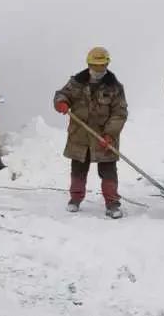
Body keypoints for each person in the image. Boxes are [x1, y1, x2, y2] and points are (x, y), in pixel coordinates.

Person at [53, 47, 128, 219]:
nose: (98, 70)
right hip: (80, 135)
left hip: (104, 137)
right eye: (95, 66)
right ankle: (75, 198)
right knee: (78, 169)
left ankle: (112, 203)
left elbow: (120, 113)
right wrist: (61, 102)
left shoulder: (115, 87)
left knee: (108, 170)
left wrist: (110, 134)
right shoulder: (76, 83)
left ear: (107, 64)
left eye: (102, 66)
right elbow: (61, 94)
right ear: (88, 64)